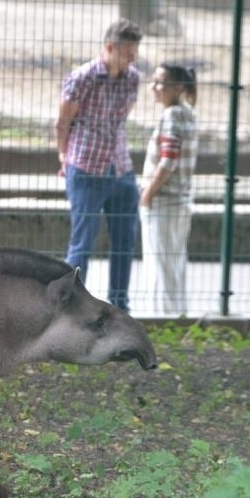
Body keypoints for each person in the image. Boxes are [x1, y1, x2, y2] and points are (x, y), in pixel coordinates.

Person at [55, 19, 143, 312]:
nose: (133, 59)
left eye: (135, 53)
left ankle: (120, 308)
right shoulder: (82, 78)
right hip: (86, 167)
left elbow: (119, 120)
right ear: (109, 48)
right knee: (82, 244)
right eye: (128, 53)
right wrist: (64, 158)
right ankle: (72, 310)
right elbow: (63, 122)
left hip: (120, 167)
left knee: (124, 243)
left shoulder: (133, 79)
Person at [139, 63, 198, 315]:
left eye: (160, 83)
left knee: (159, 265)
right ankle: (177, 316)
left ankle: (161, 319)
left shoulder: (172, 115)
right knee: (174, 264)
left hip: (163, 201)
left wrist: (147, 194)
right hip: (180, 201)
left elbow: (168, 160)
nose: (154, 87)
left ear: (177, 88)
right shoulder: (188, 114)